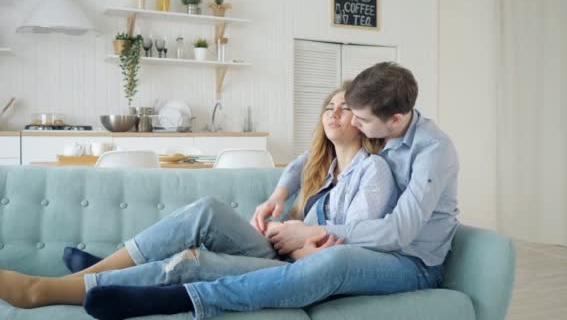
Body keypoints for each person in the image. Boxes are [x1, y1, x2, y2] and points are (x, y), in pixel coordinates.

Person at [80, 62, 460, 319]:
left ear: (394, 120)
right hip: (344, 246)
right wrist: (279, 196)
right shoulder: (369, 141)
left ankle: (176, 297)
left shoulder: (430, 151)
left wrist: (312, 234)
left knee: (331, 262)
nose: (352, 122)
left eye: (359, 118)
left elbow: (399, 232)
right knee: (208, 213)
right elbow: (305, 160)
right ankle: (110, 271)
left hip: (410, 263)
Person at [0, 85, 398, 316]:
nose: (333, 113)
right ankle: (91, 274)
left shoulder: (374, 171)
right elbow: (296, 167)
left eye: (345, 109)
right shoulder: (320, 164)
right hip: (284, 251)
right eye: (329, 107)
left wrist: (300, 241)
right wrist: (277, 202)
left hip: (308, 269)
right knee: (207, 209)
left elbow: (356, 247)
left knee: (194, 261)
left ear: (364, 121)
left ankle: (47, 290)